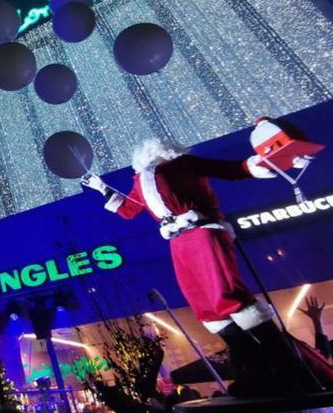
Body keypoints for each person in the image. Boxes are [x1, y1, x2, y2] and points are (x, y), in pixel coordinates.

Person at [81, 138, 318, 397]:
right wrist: (101, 188)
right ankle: (254, 374)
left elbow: (233, 169)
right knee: (206, 307)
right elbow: (129, 210)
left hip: (203, 232)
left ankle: (293, 372)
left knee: (228, 298)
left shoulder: (182, 163)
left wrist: (280, 161)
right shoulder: (141, 179)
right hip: (178, 243)